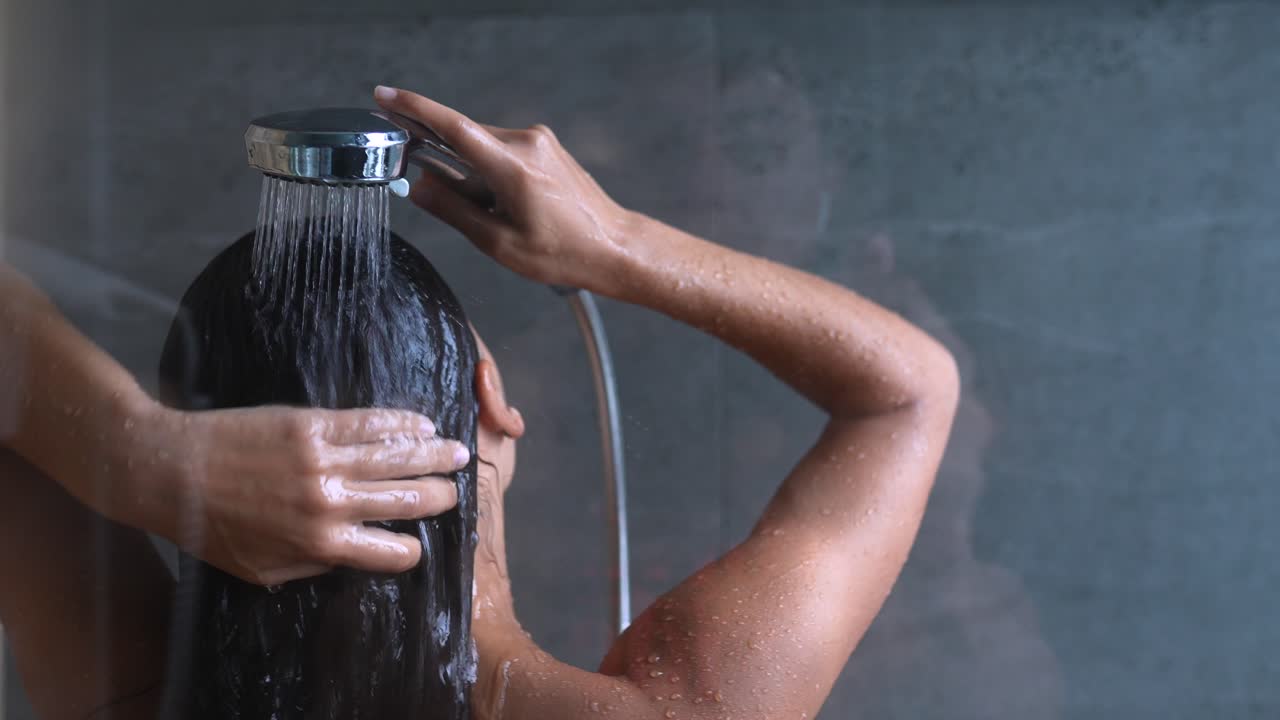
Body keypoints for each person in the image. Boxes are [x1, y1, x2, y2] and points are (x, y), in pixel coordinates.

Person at [0, 84, 960, 719]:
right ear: (490, 399)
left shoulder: (117, 684)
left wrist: (139, 455)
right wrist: (617, 243)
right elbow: (906, 394)